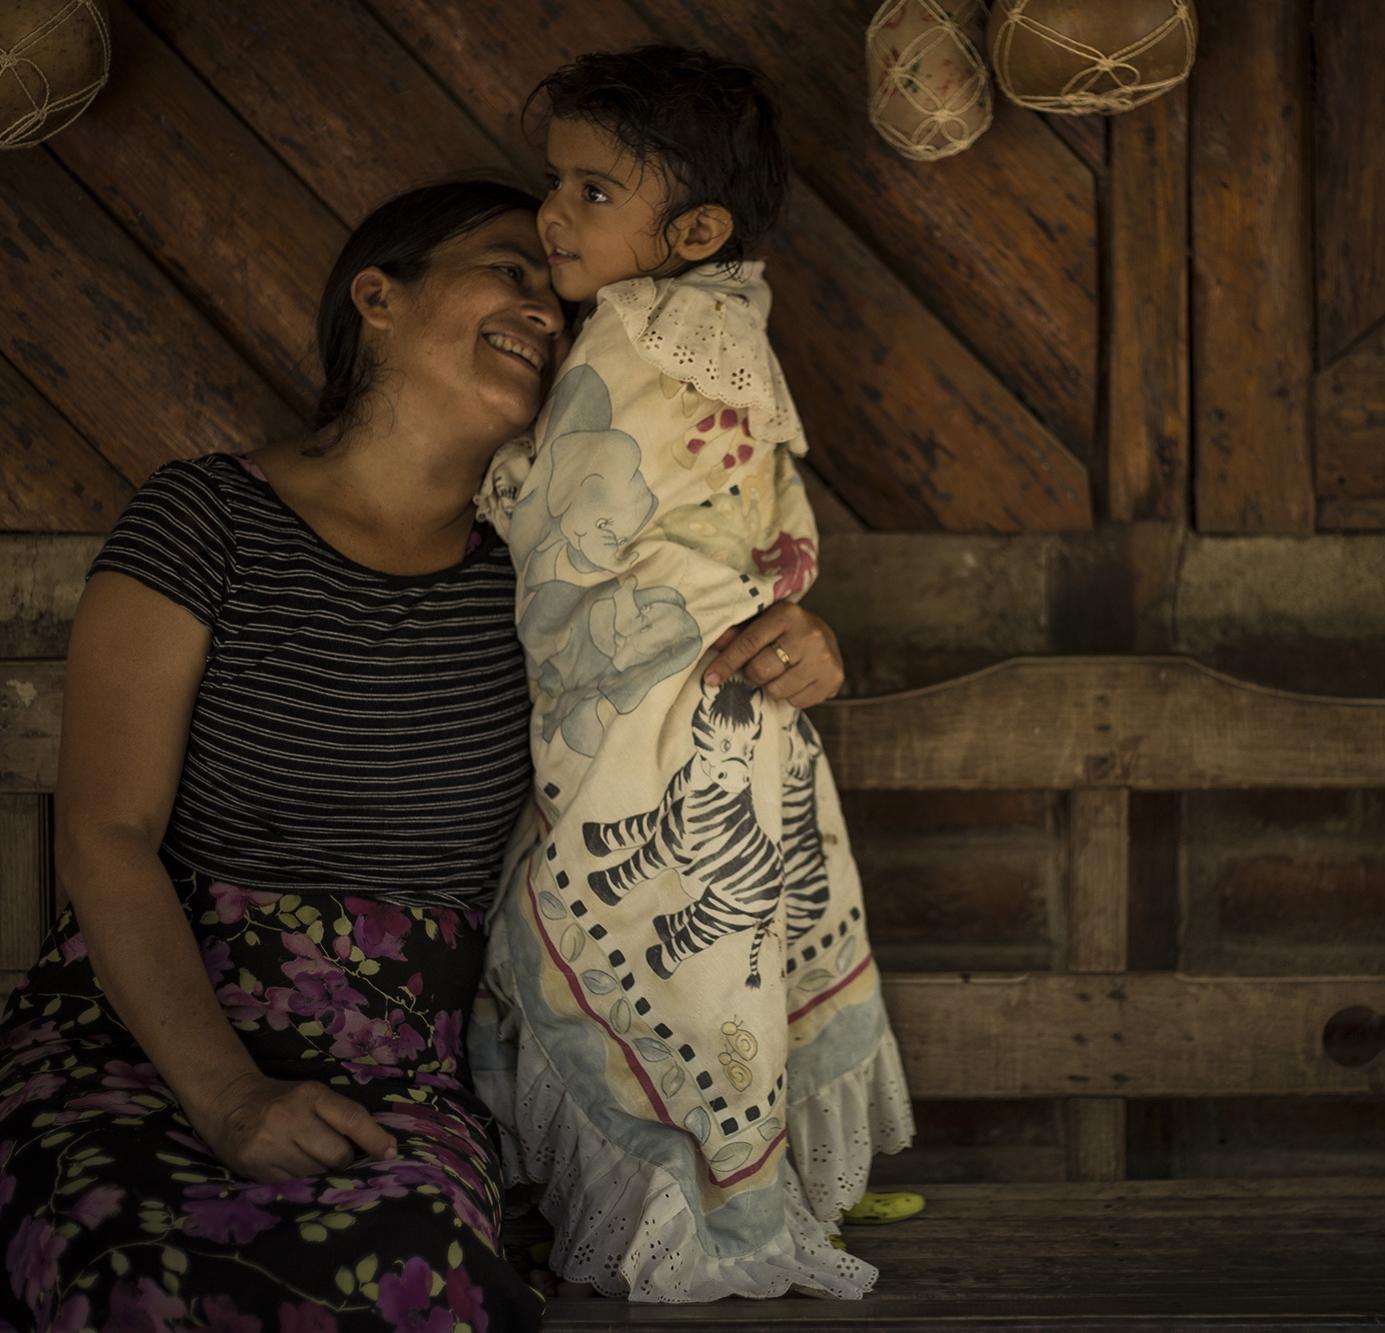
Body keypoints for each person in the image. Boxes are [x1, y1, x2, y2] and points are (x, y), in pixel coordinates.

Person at [0, 179, 848, 1333]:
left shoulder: (546, 585)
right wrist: (226, 1099)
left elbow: (690, 662)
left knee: (410, 1275)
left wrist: (787, 650)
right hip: (140, 1043)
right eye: (509, 270)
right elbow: (107, 835)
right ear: (378, 296)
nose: (544, 312)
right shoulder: (206, 518)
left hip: (395, 1059)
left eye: (557, 299)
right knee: (137, 1272)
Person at [470, 47, 915, 1304]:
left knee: (659, 938)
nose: (552, 213)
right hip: (736, 708)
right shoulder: (727, 333)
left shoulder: (631, 339)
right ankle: (763, 1175)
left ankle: (711, 1202)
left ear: (693, 229)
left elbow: (576, 522)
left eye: (593, 192)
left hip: (659, 709)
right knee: (726, 958)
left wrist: (500, 488)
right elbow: (775, 528)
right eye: (551, 182)